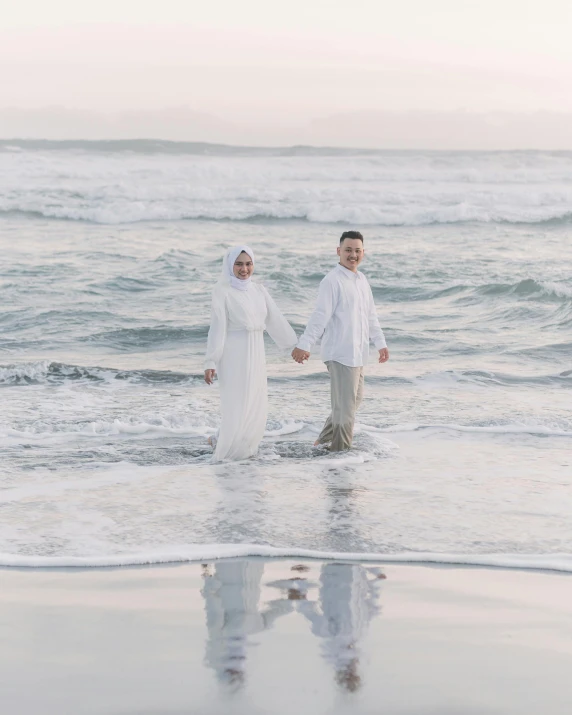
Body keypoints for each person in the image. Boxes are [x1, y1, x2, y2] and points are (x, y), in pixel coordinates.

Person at [292, 231, 389, 451]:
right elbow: (320, 316)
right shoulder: (332, 281)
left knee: (352, 403)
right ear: (338, 251)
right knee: (346, 411)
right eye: (348, 250)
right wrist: (304, 344)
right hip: (340, 353)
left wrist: (380, 343)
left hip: (358, 353)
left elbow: (371, 315)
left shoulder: (362, 280)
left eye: (357, 250)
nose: (352, 255)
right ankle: (341, 458)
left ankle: (324, 442)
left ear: (363, 253)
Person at [204, 245, 297, 461]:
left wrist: (294, 347)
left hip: (256, 351)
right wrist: (211, 361)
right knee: (236, 402)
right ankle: (226, 448)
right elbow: (217, 328)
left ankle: (240, 445)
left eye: (248, 264)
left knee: (255, 400)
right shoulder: (222, 292)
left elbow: (275, 319)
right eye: (238, 264)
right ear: (230, 266)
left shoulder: (259, 290)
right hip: (234, 354)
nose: (244, 269)